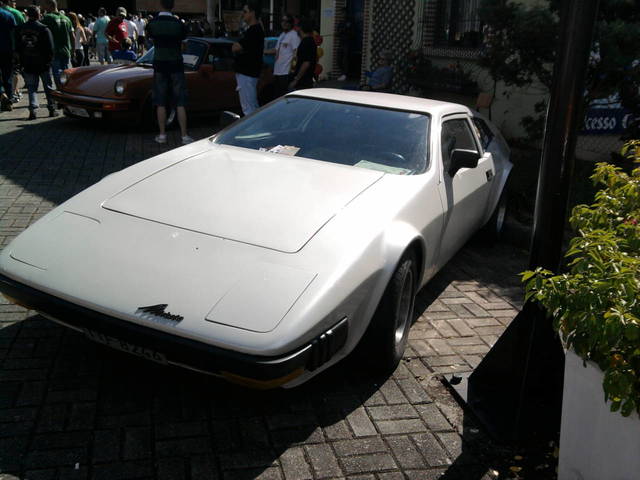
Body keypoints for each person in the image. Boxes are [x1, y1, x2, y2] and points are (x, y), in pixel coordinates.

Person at [145, 0, 192, 145]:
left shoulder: (153, 23)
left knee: (160, 101)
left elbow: (148, 39)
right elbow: (184, 44)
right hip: (176, 64)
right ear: (173, 6)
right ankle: (184, 136)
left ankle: (162, 135)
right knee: (180, 101)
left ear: (160, 5)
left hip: (160, 64)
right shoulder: (179, 24)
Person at [15, 6, 56, 119]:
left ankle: (33, 110)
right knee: (48, 87)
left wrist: (21, 62)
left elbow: (18, 47)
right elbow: (50, 48)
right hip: (43, 63)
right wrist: (49, 62)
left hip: (27, 62)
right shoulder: (44, 29)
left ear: (27, 15)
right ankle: (52, 108)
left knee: (31, 88)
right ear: (38, 15)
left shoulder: (20, 28)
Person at [232, 2, 264, 116]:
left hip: (247, 73)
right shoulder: (252, 30)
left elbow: (236, 47)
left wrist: (238, 48)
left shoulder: (254, 30)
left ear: (252, 13)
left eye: (245, 12)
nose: (243, 14)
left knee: (249, 108)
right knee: (251, 106)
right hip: (248, 73)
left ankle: (254, 132)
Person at [41, 0, 73, 90]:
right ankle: (68, 92)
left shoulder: (47, 18)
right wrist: (73, 50)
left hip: (54, 52)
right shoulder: (66, 18)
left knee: (57, 75)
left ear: (50, 5)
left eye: (45, 5)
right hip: (66, 51)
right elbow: (72, 36)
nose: (43, 7)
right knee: (66, 74)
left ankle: (61, 94)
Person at [266, 13, 299, 98]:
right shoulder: (282, 35)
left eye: (287, 21)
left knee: (284, 97)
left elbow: (296, 53)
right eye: (282, 21)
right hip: (277, 71)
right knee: (277, 97)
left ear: (291, 23)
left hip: (286, 72)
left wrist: (292, 71)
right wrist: (262, 51)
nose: (284, 23)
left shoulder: (294, 35)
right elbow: (275, 50)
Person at [289, 19, 316, 91]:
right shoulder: (309, 41)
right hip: (305, 80)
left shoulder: (307, 42)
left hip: (304, 81)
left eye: (297, 27)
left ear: (300, 28)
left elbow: (306, 63)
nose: (296, 29)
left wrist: (296, 79)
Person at [0, 0, 16, 111]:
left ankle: (1, 93)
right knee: (8, 76)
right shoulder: (8, 15)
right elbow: (14, 33)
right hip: (7, 49)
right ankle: (9, 99)